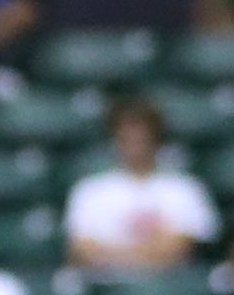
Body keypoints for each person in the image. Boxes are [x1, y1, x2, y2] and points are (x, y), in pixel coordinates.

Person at [66, 98, 218, 276]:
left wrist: (109, 253)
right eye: (127, 135)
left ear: (157, 138)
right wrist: (150, 251)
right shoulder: (90, 190)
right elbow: (82, 251)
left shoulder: (185, 189)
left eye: (142, 135)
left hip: (168, 291)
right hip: (106, 292)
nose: (135, 142)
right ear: (115, 137)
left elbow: (178, 249)